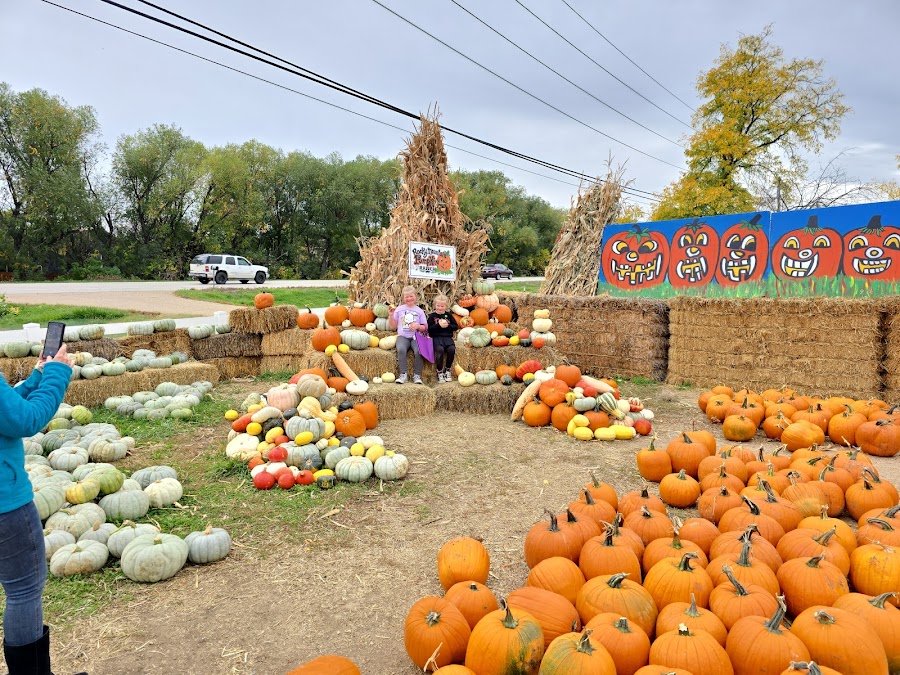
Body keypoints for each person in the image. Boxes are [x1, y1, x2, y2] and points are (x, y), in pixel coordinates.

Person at [1, 344, 78, 675]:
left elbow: (8, 409)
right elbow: (26, 419)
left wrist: (36, 378)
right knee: (23, 589)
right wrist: (58, 375)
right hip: (6, 505)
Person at [388, 286, 427, 385]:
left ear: (415, 296)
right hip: (403, 337)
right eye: (406, 297)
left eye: (411, 296)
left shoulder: (419, 311)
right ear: (403, 298)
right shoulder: (399, 309)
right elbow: (392, 326)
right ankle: (403, 374)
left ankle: (417, 375)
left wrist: (418, 326)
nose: (409, 299)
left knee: (419, 351)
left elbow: (425, 327)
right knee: (401, 349)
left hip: (416, 337)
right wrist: (391, 315)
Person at [427, 295, 457, 383]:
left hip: (447, 337)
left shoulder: (449, 316)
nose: (440, 308)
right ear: (434, 305)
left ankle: (447, 370)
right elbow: (429, 329)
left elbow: (455, 326)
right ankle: (439, 371)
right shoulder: (432, 316)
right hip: (436, 337)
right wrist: (438, 325)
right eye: (438, 305)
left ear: (446, 306)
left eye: (442, 306)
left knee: (451, 349)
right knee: (439, 350)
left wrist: (448, 326)